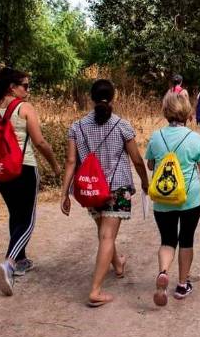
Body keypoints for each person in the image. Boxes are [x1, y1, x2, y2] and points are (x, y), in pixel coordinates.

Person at [0, 67, 61, 297]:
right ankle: (9, 263)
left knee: (16, 215)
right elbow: (39, 142)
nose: (28, 90)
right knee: (27, 220)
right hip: (24, 168)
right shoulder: (24, 108)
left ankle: (20, 261)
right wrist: (55, 165)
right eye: (25, 86)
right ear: (12, 87)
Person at [60, 79, 150, 307]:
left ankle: (118, 264)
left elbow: (70, 161)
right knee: (107, 236)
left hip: (90, 188)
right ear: (113, 98)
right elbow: (137, 159)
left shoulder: (76, 127)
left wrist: (64, 193)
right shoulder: (122, 126)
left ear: (90, 98)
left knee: (104, 232)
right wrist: (145, 182)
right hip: (116, 188)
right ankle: (95, 291)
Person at [145, 92, 200, 306]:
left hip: (163, 199)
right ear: (187, 112)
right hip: (190, 199)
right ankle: (181, 284)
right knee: (186, 240)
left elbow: (150, 165)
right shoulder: (194, 138)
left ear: (165, 111)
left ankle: (163, 271)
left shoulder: (156, 137)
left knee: (167, 240)